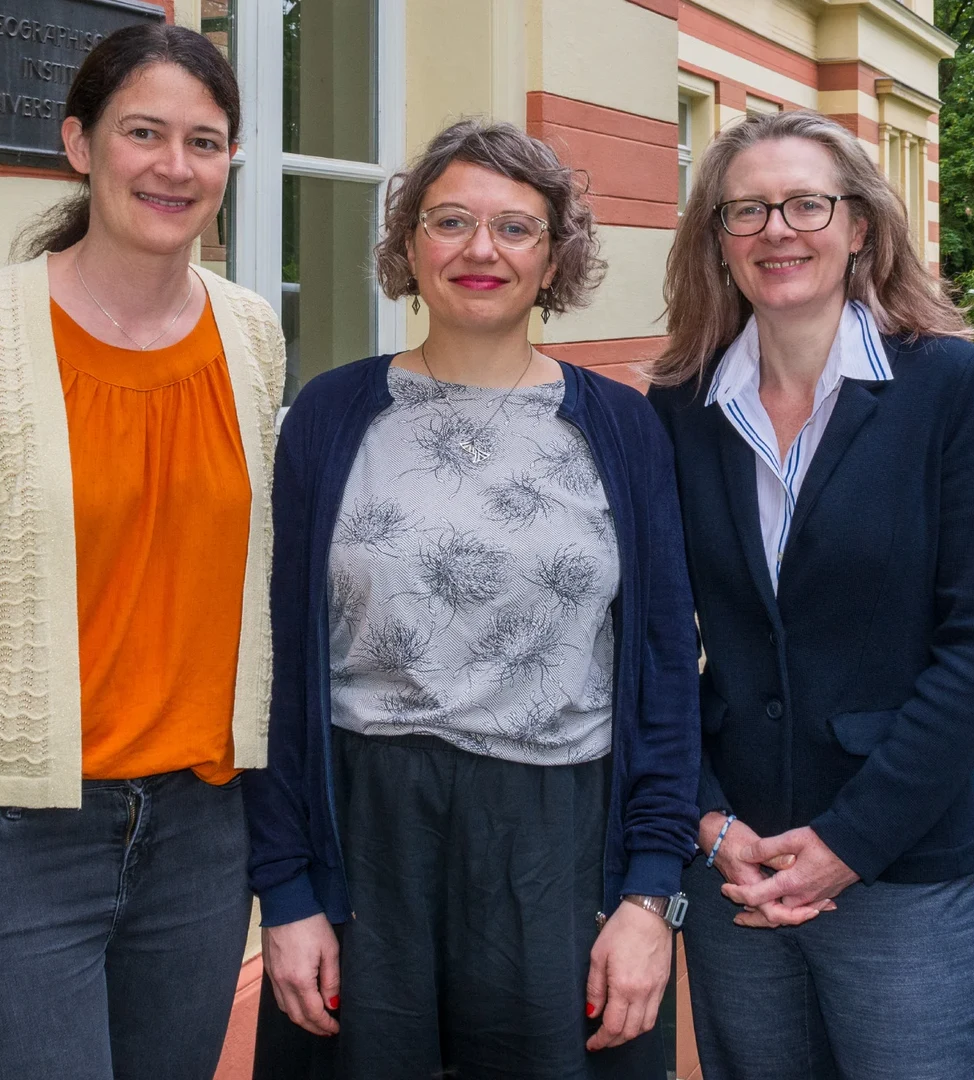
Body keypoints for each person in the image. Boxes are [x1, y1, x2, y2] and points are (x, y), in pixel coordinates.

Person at [0, 23, 285, 1080]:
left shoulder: (250, 336)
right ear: (78, 144)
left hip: (202, 835)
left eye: (204, 142)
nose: (174, 166)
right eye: (143, 133)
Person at [244, 120, 702, 1080]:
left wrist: (648, 894)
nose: (480, 250)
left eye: (515, 228)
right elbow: (273, 663)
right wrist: (286, 891)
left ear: (554, 257)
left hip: (558, 839)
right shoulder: (329, 413)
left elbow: (662, 670)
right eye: (449, 221)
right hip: (367, 832)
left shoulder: (618, 426)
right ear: (408, 245)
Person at [646, 109, 974, 1079]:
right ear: (718, 243)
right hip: (736, 870)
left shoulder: (949, 387)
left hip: (899, 873)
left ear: (859, 226)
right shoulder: (679, 408)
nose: (777, 229)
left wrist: (846, 844)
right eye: (747, 211)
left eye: (805, 204)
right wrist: (706, 818)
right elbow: (649, 639)